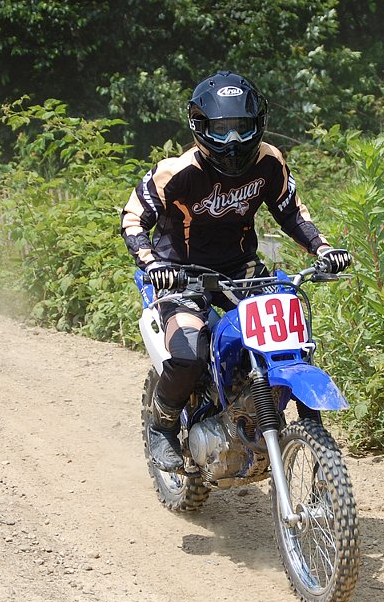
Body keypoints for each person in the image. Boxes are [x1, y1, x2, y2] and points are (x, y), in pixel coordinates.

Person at [120, 70, 352, 472]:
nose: (232, 140)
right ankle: (163, 425)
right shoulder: (175, 171)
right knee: (189, 353)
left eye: (241, 128)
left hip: (242, 269)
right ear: (200, 127)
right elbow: (133, 218)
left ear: (257, 124)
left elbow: (291, 213)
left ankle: (261, 414)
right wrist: (152, 263)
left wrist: (324, 249)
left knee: (288, 339)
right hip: (180, 273)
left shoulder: (268, 161)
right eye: (221, 129)